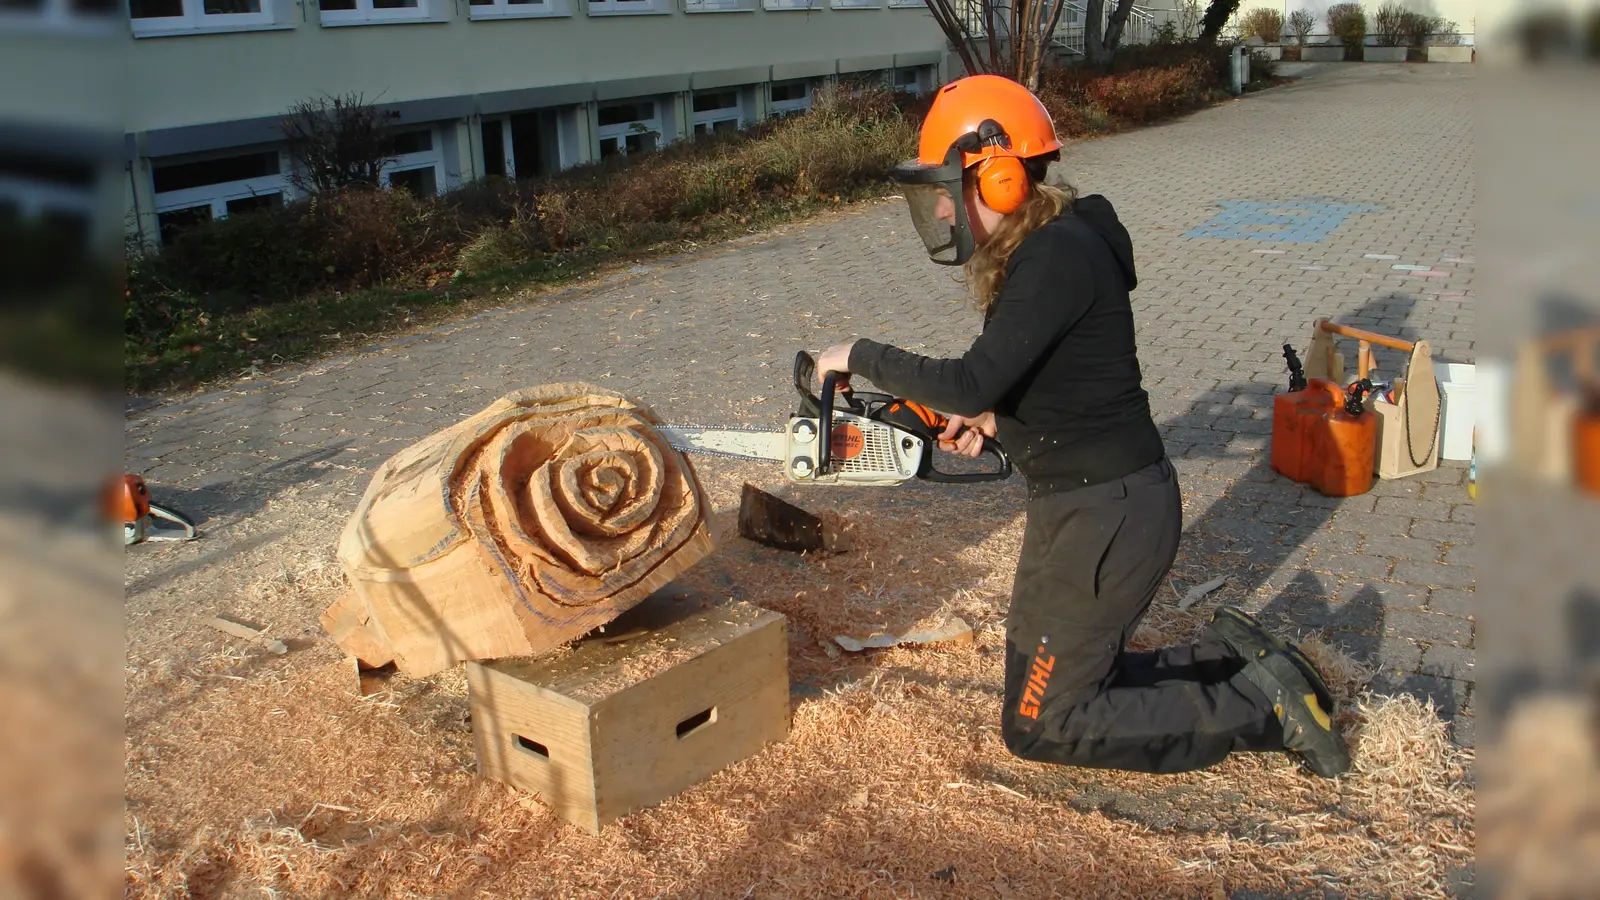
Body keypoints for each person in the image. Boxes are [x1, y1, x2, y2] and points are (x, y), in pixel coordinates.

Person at [815, 74, 1350, 778]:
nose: (941, 205)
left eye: (948, 185)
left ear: (1001, 177)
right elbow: (1038, 383)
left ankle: (1265, 710)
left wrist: (859, 355)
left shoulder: (1056, 256)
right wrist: (997, 421)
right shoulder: (1048, 250)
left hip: (1106, 512)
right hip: (1087, 503)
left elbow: (972, 377)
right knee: (1033, 689)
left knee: (1046, 723)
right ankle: (1233, 663)